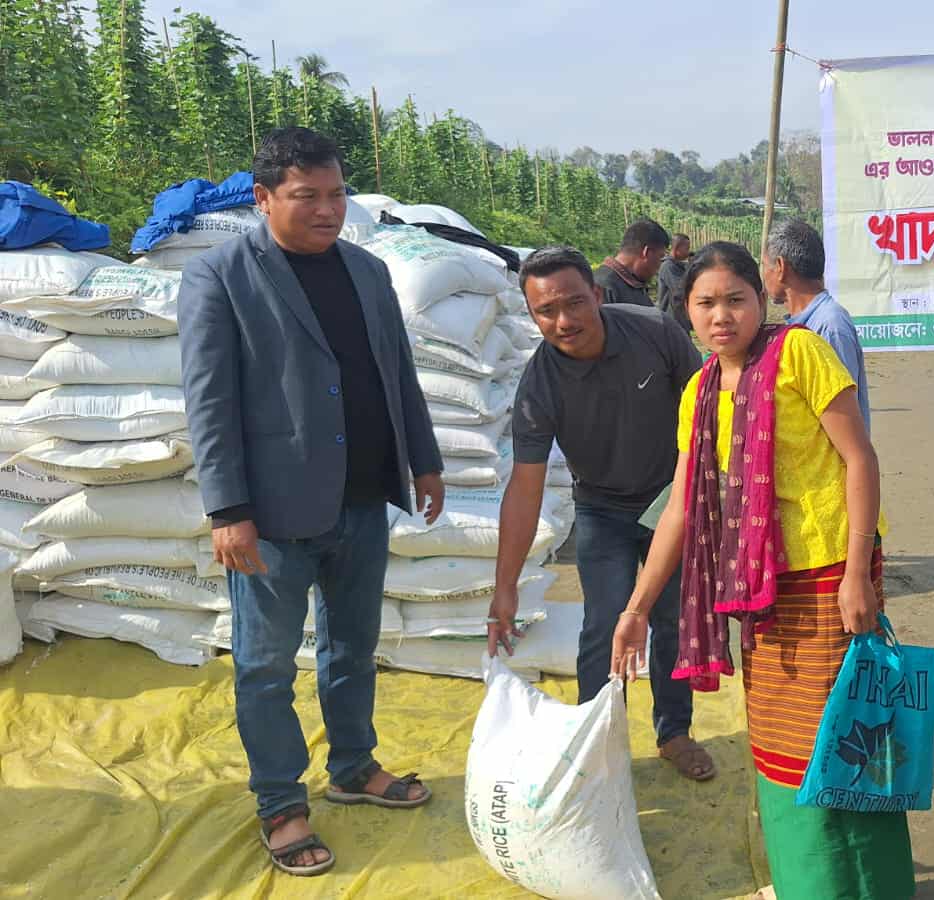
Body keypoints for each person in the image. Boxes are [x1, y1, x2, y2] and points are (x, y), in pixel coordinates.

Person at [177, 127, 444, 877]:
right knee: (265, 666)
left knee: (353, 648)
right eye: (307, 196)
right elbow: (209, 400)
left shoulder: (367, 270)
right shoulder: (220, 276)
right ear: (263, 198)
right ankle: (280, 803)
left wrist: (423, 460)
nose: (328, 210)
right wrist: (227, 510)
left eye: (336, 194)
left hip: (362, 498)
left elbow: (397, 372)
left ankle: (353, 766)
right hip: (271, 512)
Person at [609, 242, 911, 899]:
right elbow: (681, 508)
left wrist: (857, 573)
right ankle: (811, 885)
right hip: (762, 591)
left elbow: (860, 458)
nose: (722, 316)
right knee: (778, 745)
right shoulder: (699, 392)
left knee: (843, 738)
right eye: (705, 303)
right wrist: (636, 610)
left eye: (735, 299)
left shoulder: (801, 352)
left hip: (829, 574)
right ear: (686, 310)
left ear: (760, 297)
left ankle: (867, 886)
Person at [487, 246, 715, 782]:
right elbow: (525, 487)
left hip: (671, 501)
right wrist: (506, 586)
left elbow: (708, 412)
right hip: (602, 508)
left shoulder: (655, 332)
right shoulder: (539, 384)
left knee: (672, 618)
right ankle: (598, 739)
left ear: (596, 294)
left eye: (573, 303)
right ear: (532, 315)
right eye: (546, 311)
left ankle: (674, 732)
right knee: (604, 622)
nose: (563, 321)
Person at [762, 219, 871, 430]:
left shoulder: (829, 326)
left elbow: (842, 415)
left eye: (765, 266)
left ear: (781, 267)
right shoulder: (806, 323)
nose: (764, 275)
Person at [595, 218, 670, 307]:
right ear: (647, 252)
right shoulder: (604, 287)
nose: (659, 266)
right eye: (660, 257)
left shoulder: (633, 282)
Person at [657, 232, 693, 334]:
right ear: (677, 248)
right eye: (686, 248)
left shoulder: (678, 266)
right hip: (671, 320)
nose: (688, 252)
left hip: (680, 319)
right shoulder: (668, 266)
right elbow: (680, 290)